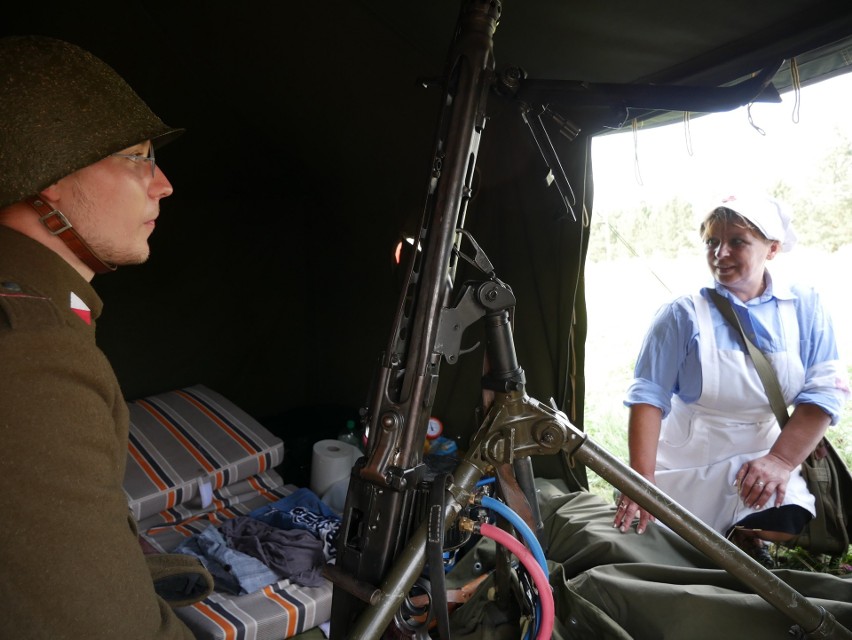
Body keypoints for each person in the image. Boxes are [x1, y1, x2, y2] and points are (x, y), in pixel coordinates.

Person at [0, 36, 212, 638]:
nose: (162, 183)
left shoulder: (36, 308)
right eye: (137, 157)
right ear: (49, 177)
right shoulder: (32, 357)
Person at [612, 193, 850, 566]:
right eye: (712, 241)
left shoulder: (804, 306)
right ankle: (722, 542)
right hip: (687, 460)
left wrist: (779, 461)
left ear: (772, 249)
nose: (720, 253)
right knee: (669, 545)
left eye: (737, 241)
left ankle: (742, 537)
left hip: (764, 453)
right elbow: (648, 398)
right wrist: (641, 482)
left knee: (792, 517)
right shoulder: (682, 315)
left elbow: (824, 392)